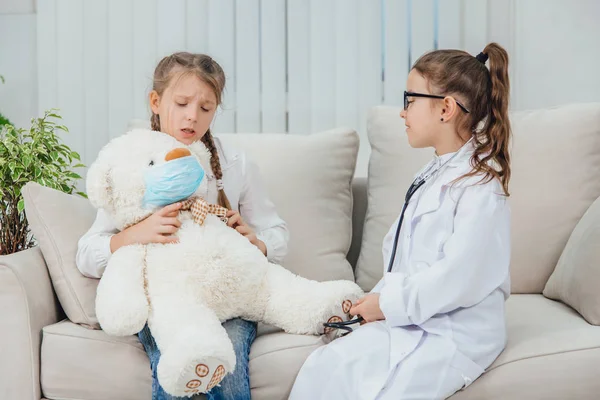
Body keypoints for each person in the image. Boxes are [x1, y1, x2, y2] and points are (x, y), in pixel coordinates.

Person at [290, 42, 512, 399]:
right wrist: (372, 305)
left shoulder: (481, 187)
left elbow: (457, 279)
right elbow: (408, 264)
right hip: (418, 315)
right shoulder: (433, 173)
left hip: (455, 329)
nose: (402, 112)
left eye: (410, 99)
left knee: (388, 391)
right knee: (326, 367)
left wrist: (386, 306)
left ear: (446, 109)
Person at [77, 52, 289, 400]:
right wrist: (131, 236)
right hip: (166, 299)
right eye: (182, 103)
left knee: (229, 351)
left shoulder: (235, 165)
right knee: (180, 355)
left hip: (226, 296)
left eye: (206, 108)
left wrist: (256, 241)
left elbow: (277, 232)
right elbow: (86, 253)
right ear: (156, 102)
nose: (193, 116)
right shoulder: (133, 162)